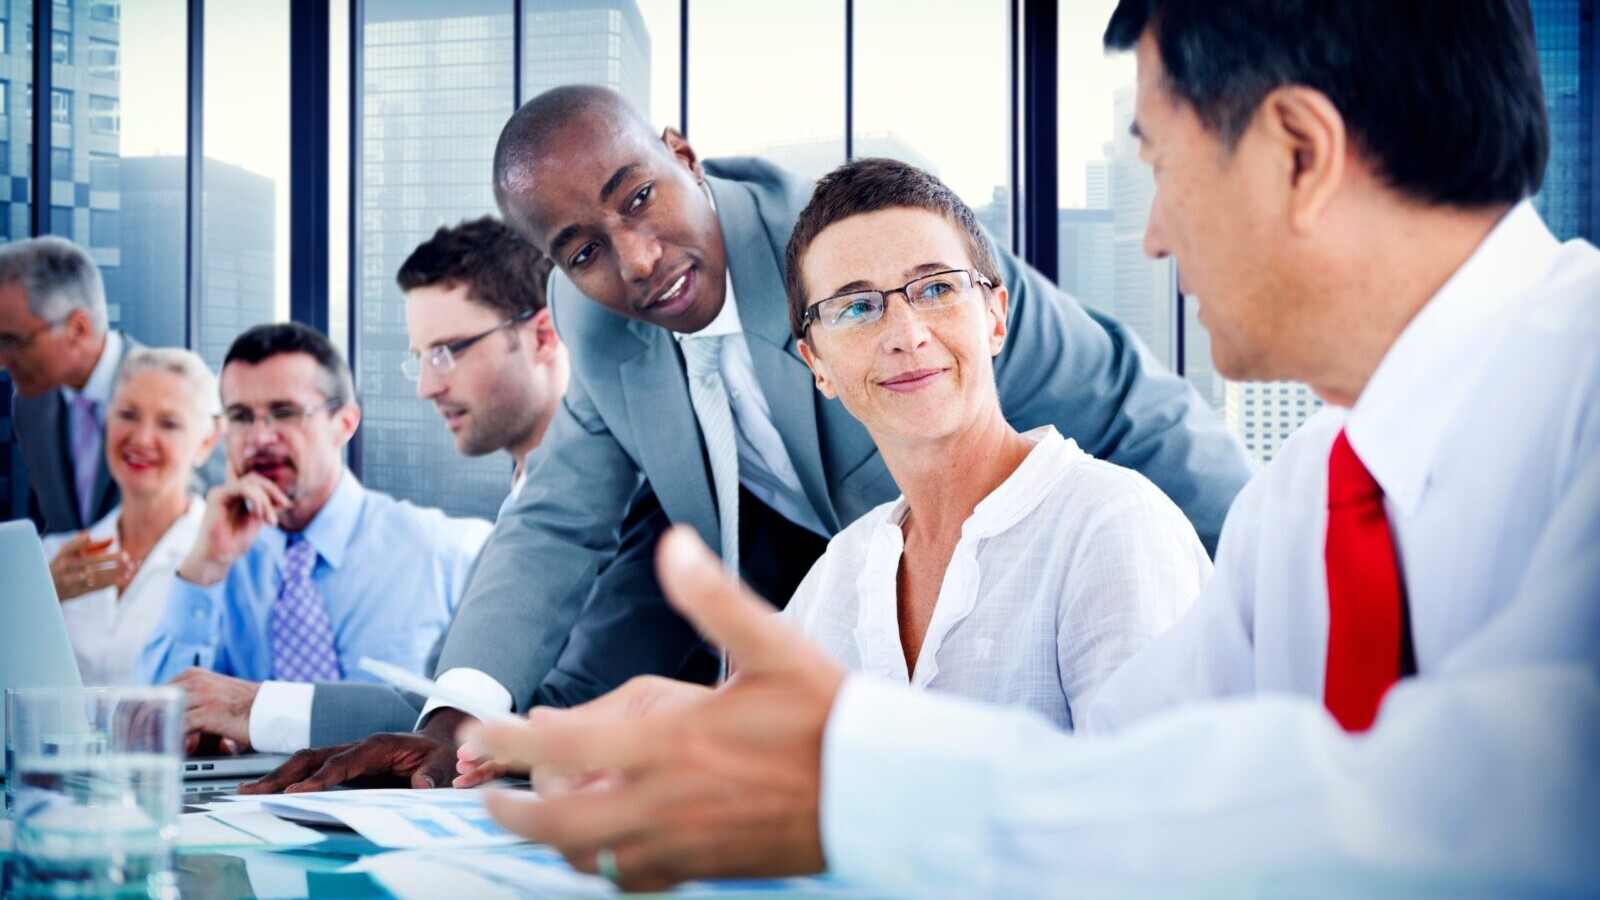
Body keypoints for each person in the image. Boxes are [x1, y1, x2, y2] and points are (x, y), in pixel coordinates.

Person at [470, 1, 1600, 894]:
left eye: (1156, 162)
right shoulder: (1303, 502)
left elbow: (1516, 808)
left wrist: (856, 786)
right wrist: (738, 742)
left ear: (1297, 152)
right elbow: (1120, 771)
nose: (1152, 233)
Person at [245, 83, 1254, 792]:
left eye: (639, 197)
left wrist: (1270, 586)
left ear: (683, 154)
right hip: (895, 576)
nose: (635, 260)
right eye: (583, 251)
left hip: (1099, 522)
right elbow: (554, 525)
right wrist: (461, 712)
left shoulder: (865, 258)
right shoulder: (610, 332)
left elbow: (1124, 414)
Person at [780, 158, 1209, 725]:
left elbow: (1155, 798)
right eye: (857, 307)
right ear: (818, 366)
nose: (907, 336)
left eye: (935, 288)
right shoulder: (837, 577)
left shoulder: (1110, 525)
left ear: (996, 319)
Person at [134, 323, 491, 754]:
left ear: (344, 423)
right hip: (252, 811)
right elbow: (149, 726)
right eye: (241, 416)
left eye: (284, 413)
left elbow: (473, 718)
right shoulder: (222, 562)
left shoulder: (445, 551)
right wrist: (205, 568)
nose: (260, 437)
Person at [40, 348, 220, 686]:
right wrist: (40, 597)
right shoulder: (54, 559)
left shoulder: (223, 565)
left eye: (168, 423)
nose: (140, 438)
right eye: (128, 415)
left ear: (206, 442)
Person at [0, 237, 141, 535]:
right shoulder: (29, 406)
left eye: (13, 342)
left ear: (78, 329)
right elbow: (59, 524)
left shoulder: (177, 391)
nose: (2, 361)